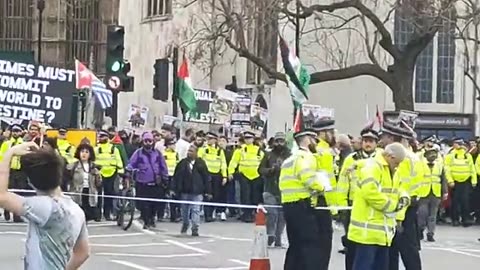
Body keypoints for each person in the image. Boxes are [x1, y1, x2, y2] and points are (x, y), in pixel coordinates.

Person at [0, 142, 90, 269]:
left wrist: (9, 154)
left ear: (30, 182)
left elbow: (2, 196)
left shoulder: (44, 207)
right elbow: (83, 253)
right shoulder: (76, 210)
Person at [348, 143, 410, 270]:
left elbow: (399, 188)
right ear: (390, 157)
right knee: (363, 266)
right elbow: (370, 192)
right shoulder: (373, 168)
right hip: (367, 232)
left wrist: (404, 198)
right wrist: (392, 206)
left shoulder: (391, 170)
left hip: (383, 233)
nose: (397, 166)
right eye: (397, 162)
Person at [280, 129, 328, 270]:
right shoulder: (306, 157)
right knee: (310, 245)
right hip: (302, 205)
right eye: (314, 140)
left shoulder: (290, 159)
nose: (316, 144)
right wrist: (322, 187)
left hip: (288, 204)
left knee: (295, 245)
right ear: (307, 139)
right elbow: (307, 176)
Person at [337, 128, 380, 269]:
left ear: (376, 143)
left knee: (372, 243)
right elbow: (343, 182)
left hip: (374, 205)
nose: (368, 144)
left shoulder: (381, 158)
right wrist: (341, 204)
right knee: (352, 242)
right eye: (365, 141)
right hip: (353, 205)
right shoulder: (351, 158)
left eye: (371, 141)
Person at [127, 132, 168, 229]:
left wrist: (165, 178)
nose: (148, 143)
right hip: (142, 183)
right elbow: (131, 163)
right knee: (144, 204)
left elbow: (163, 166)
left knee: (155, 204)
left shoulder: (157, 153)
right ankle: (146, 220)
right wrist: (128, 170)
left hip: (156, 183)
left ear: (153, 142)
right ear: (143, 141)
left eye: (150, 141)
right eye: (146, 141)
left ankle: (152, 218)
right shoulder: (138, 153)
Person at [171, 144, 212, 236]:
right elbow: (176, 177)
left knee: (196, 210)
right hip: (185, 191)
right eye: (188, 151)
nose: (189, 153)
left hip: (197, 192)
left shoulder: (201, 163)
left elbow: (206, 178)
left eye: (191, 151)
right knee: (184, 211)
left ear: (196, 153)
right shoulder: (182, 163)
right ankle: (185, 224)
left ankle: (195, 228)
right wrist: (173, 189)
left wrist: (208, 191)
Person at [258, 131, 290, 247]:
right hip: (270, 188)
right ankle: (270, 234)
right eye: (277, 141)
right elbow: (260, 170)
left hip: (285, 190)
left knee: (282, 216)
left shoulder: (290, 156)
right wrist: (271, 170)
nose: (279, 143)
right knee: (272, 213)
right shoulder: (268, 155)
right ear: (274, 142)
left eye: (281, 141)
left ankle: (278, 238)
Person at [228, 131, 265, 222]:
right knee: (245, 195)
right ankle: (246, 214)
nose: (248, 140)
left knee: (255, 195)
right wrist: (230, 172)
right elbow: (234, 162)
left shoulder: (259, 150)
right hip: (244, 176)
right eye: (246, 138)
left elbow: (263, 163)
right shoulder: (240, 150)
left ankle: (254, 213)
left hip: (256, 176)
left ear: (253, 139)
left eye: (249, 138)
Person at [417, 148, 448, 242]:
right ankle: (420, 230)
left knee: (433, 215)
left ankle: (430, 233)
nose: (433, 156)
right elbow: (416, 179)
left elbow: (443, 179)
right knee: (422, 214)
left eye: (434, 154)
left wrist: (445, 192)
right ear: (426, 155)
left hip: (435, 193)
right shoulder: (420, 165)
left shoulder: (439, 165)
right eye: (431, 154)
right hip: (423, 194)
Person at [67, 143, 102, 222]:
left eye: (87, 152)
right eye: (82, 151)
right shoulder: (73, 166)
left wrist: (97, 175)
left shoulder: (94, 166)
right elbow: (68, 179)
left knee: (87, 215)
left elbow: (99, 183)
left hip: (90, 192)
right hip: (77, 192)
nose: (84, 154)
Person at [446, 137, 477, 226]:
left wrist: (473, 180)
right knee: (455, 201)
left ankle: (465, 219)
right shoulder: (450, 155)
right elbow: (447, 169)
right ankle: (455, 219)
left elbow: (472, 169)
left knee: (465, 201)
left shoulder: (467, 155)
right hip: (455, 182)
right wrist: (450, 180)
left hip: (466, 181)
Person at [94, 130, 124, 221]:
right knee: (98, 195)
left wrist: (121, 171)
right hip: (99, 173)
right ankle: (98, 215)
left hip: (111, 173)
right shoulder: (96, 149)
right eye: (99, 136)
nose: (100, 138)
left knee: (109, 194)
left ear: (107, 137)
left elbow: (118, 160)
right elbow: (93, 161)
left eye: (102, 136)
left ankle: (107, 214)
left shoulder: (114, 149)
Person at [199, 132, 228, 222]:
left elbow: (223, 164)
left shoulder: (220, 151)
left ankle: (211, 213)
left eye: (211, 139)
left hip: (216, 175)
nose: (209, 140)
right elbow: (199, 161)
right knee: (207, 194)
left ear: (215, 140)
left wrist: (224, 176)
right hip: (206, 175)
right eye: (208, 139)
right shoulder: (203, 149)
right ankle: (207, 215)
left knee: (215, 195)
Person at [0, 124, 26, 222]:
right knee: (8, 191)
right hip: (8, 170)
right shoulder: (6, 144)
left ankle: (17, 215)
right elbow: (1, 156)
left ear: (21, 132)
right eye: (14, 131)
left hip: (19, 171)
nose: (15, 133)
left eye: (17, 131)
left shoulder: (23, 143)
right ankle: (7, 209)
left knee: (18, 194)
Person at [162, 138, 181, 222]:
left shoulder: (176, 154)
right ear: (168, 145)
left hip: (174, 177)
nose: (174, 146)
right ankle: (161, 214)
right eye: (172, 144)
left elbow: (177, 164)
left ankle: (174, 216)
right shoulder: (163, 154)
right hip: (166, 177)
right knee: (163, 196)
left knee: (174, 196)